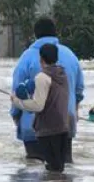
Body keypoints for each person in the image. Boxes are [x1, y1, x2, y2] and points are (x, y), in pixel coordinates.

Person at [10, 17, 84, 163]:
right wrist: (74, 113)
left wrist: (16, 114)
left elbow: (17, 90)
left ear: (35, 34)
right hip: (65, 123)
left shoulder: (27, 57)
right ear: (55, 32)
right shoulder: (70, 55)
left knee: (35, 170)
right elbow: (79, 90)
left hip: (35, 126)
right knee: (63, 169)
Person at [11, 43, 72, 173]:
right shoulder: (62, 74)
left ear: (41, 58)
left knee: (51, 168)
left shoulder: (42, 77)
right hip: (63, 126)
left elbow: (38, 106)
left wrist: (17, 102)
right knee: (59, 168)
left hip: (47, 129)